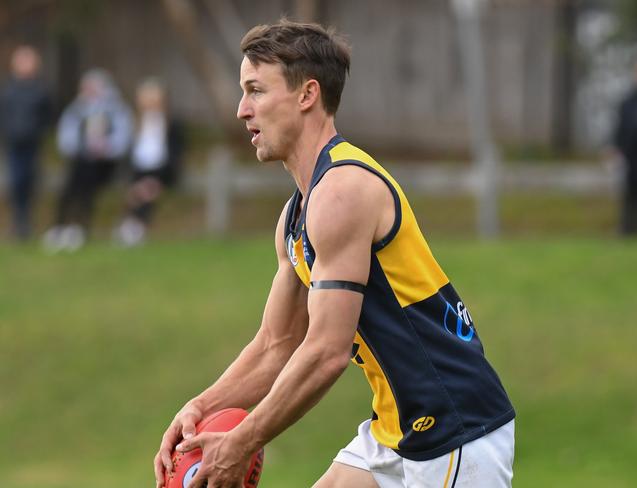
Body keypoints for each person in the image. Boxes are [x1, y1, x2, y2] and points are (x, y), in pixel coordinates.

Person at [154, 20, 515, 488]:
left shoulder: (343, 191)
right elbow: (275, 345)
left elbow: (327, 352)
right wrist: (201, 409)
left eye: (256, 91)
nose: (242, 110)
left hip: (454, 428)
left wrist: (242, 440)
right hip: (396, 430)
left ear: (307, 95)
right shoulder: (296, 216)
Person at [43, 68, 132, 251]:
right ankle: (60, 226)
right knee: (71, 185)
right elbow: (66, 137)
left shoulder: (115, 110)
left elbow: (123, 138)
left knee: (87, 183)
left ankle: (80, 226)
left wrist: (106, 148)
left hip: (106, 163)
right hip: (81, 161)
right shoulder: (76, 110)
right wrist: (80, 149)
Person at [113, 78, 184, 246]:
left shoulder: (171, 124)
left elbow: (175, 155)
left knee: (147, 188)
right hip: (139, 169)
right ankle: (131, 224)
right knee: (137, 188)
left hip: (161, 171)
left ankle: (136, 226)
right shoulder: (136, 123)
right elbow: (129, 152)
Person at [0, 45, 51, 240]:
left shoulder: (41, 90)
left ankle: (27, 222)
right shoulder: (8, 90)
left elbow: (47, 115)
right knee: (16, 182)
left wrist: (40, 132)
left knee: (30, 182)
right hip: (13, 143)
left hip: (33, 143)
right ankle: (17, 221)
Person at [614, 58, 637, 235]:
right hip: (632, 156)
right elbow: (620, 128)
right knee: (630, 194)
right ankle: (628, 230)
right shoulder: (628, 101)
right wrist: (614, 148)